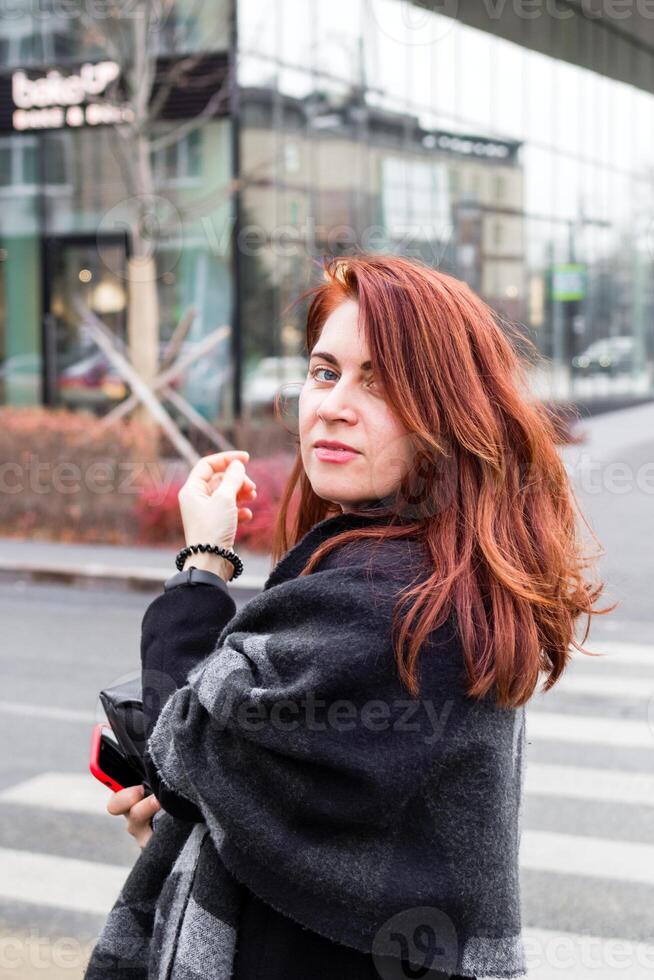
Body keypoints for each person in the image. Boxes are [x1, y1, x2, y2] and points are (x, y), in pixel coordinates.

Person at [91, 254, 613, 980]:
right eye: (325, 371)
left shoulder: (386, 594)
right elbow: (253, 785)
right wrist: (211, 809)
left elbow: (186, 749)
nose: (334, 404)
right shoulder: (448, 572)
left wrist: (205, 560)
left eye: (383, 383)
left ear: (447, 414)